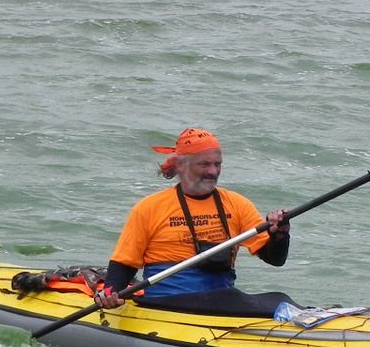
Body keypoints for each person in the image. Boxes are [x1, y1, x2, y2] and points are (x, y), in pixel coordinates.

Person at [92, 127, 289, 308]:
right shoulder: (149, 208)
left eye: (217, 164)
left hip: (221, 300)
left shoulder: (237, 204)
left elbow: (275, 259)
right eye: (204, 164)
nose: (213, 171)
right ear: (180, 165)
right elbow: (125, 263)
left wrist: (279, 235)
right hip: (165, 304)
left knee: (279, 300)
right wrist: (111, 292)